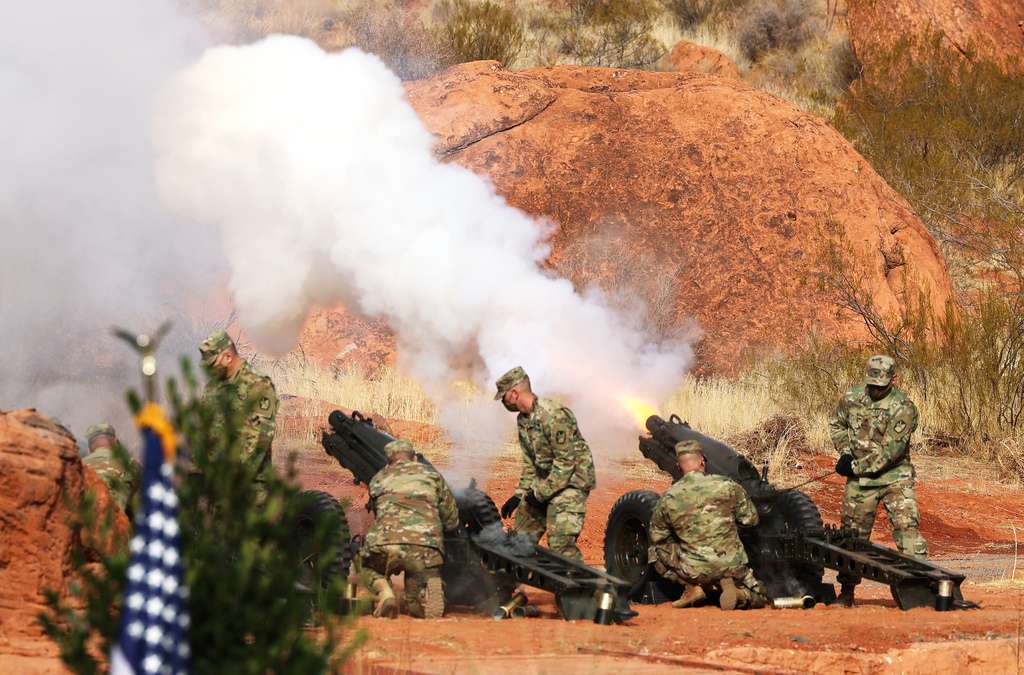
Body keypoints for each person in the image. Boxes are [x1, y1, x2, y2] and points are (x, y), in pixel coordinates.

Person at [829, 354, 928, 607]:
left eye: (880, 385)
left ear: (893, 380)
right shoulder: (852, 398)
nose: (874, 389)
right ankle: (847, 592)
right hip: (860, 480)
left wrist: (854, 466)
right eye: (871, 384)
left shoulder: (903, 407)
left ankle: (920, 590)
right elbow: (837, 423)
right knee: (851, 538)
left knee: (908, 533)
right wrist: (845, 453)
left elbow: (890, 452)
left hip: (895, 477)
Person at [648, 441, 767, 610]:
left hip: (693, 570)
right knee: (761, 595)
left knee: (655, 552)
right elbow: (751, 520)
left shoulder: (669, 496)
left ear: (678, 466)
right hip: (732, 566)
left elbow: (657, 536)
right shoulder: (729, 486)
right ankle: (740, 594)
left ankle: (692, 587)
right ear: (702, 461)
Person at [494, 366, 596, 561]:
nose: (503, 402)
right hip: (547, 481)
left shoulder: (554, 414)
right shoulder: (523, 421)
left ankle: (577, 590)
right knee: (519, 541)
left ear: (514, 393)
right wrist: (519, 495)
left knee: (560, 546)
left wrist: (539, 494)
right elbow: (530, 464)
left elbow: (567, 463)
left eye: (504, 396)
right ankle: (505, 588)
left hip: (572, 484)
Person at [360, 439, 459, 618]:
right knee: (417, 584)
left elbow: (377, 512)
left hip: (386, 545)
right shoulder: (432, 475)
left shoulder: (378, 478)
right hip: (425, 548)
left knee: (365, 568)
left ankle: (385, 593)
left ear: (388, 461)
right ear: (414, 457)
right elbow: (451, 519)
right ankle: (430, 586)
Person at [198, 329, 278, 492]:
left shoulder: (258, 385)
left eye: (212, 364)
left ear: (227, 357)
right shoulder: (213, 387)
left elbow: (262, 437)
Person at [82, 423, 139, 514]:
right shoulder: (129, 463)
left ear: (89, 450)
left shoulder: (80, 465)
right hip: (115, 521)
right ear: (116, 442)